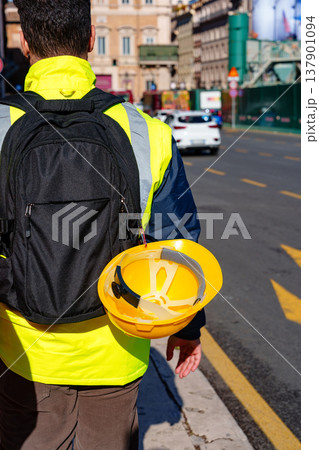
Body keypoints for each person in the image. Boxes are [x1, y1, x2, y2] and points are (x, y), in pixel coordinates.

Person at [0, 1, 205, 449]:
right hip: (116, 351)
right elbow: (179, 246)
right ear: (92, 39)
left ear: (25, 41)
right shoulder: (147, 131)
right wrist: (189, 329)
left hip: (22, 354)